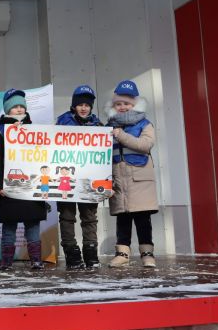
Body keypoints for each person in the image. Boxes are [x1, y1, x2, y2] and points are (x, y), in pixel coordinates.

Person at [0, 89, 48, 271]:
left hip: (31, 187)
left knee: (33, 225)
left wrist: (44, 185)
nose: (19, 109)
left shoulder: (35, 130)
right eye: (15, 107)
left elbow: (45, 157)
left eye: (22, 106)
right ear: (8, 109)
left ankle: (36, 260)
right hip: (9, 187)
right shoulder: (0, 132)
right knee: (9, 226)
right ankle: (6, 262)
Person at [106, 80, 158, 268]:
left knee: (143, 219)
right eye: (118, 104)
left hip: (140, 180)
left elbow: (145, 145)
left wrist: (121, 135)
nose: (122, 107)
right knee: (123, 219)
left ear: (134, 104)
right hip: (119, 181)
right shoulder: (108, 126)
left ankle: (147, 254)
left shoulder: (145, 124)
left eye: (126, 103)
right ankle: (122, 254)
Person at [55, 85, 103, 270]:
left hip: (89, 180)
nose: (84, 108)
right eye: (80, 104)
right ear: (73, 106)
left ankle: (91, 254)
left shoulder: (99, 126)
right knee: (67, 217)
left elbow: (104, 155)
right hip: (66, 179)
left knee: (89, 217)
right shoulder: (63, 122)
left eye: (87, 105)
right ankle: (72, 254)